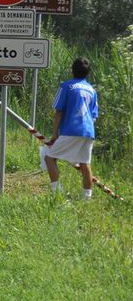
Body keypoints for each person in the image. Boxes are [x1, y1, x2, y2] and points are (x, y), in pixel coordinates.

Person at [44, 56, 99, 200]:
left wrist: (55, 134)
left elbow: (59, 111)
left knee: (49, 158)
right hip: (89, 131)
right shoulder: (92, 90)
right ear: (88, 73)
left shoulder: (66, 86)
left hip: (71, 129)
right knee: (84, 163)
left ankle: (57, 193)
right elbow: (94, 115)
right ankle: (86, 198)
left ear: (72, 70)